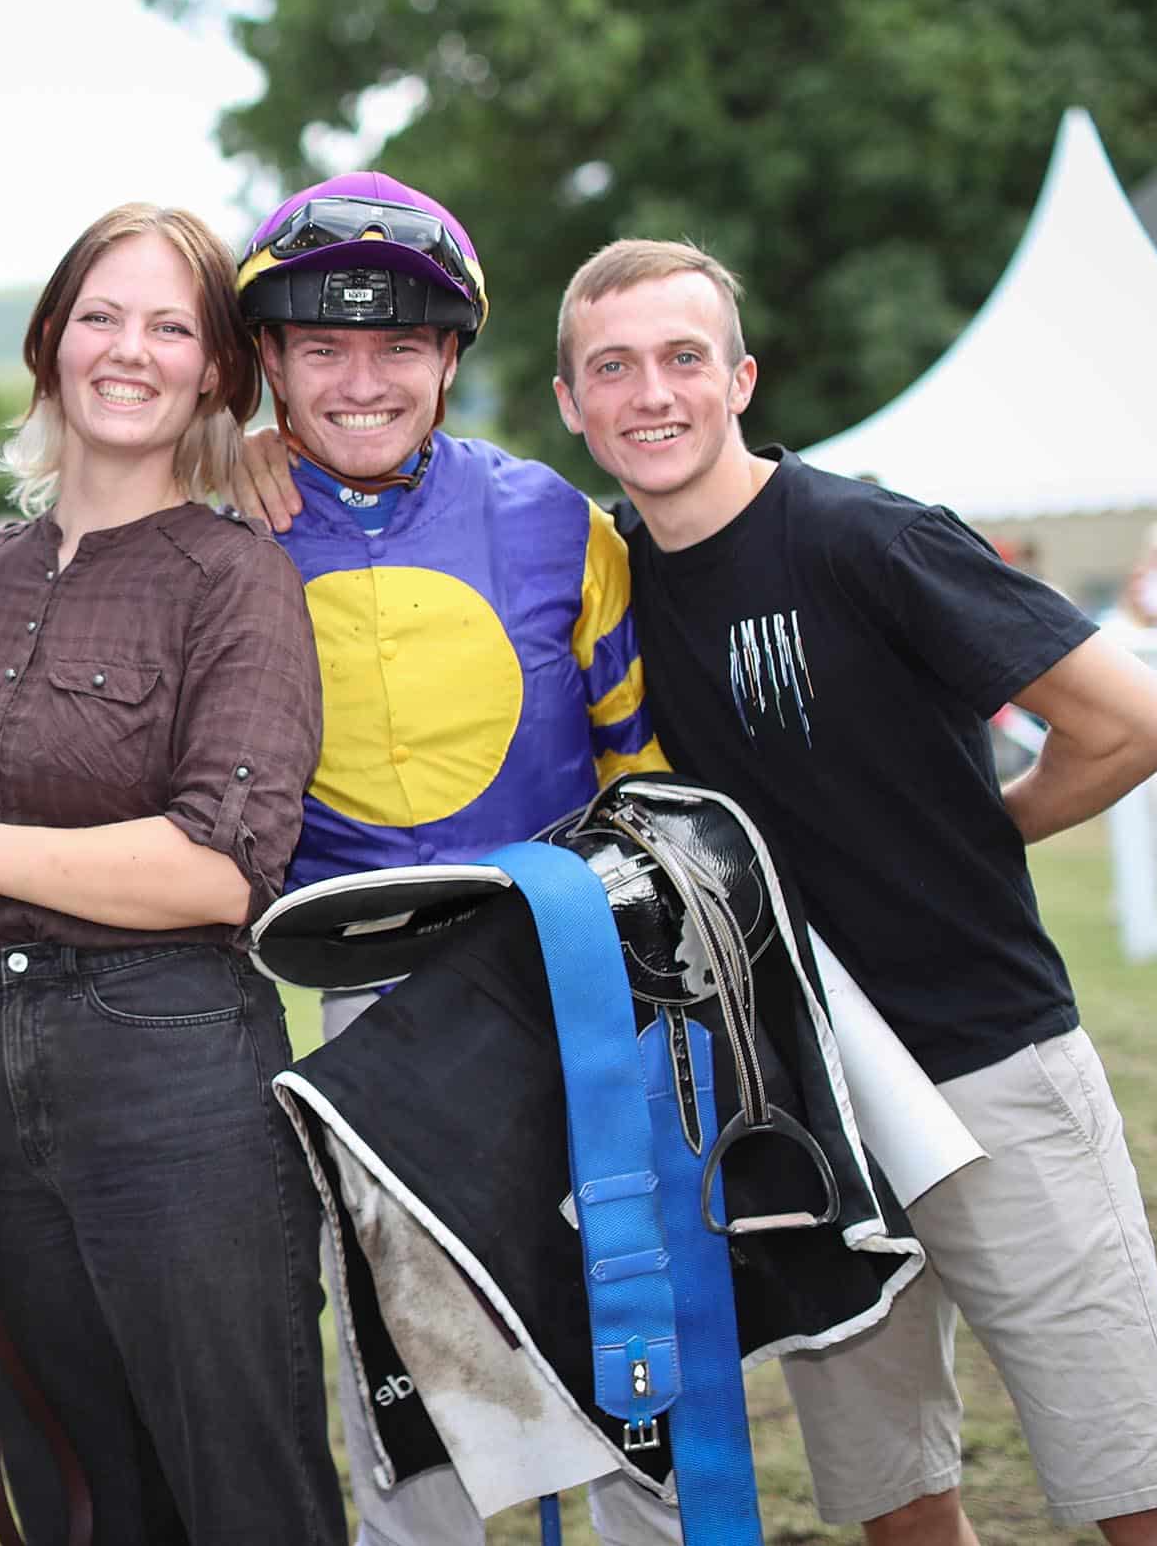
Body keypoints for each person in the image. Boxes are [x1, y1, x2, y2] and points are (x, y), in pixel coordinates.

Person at [553, 239, 1157, 1546]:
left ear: (739, 378)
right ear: (572, 402)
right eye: (611, 368)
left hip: (987, 1062)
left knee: (1144, 1499)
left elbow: (1137, 721)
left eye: (684, 358)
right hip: (803, 1105)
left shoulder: (866, 536)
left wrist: (992, 831)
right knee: (895, 1508)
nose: (651, 394)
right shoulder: (604, 587)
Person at [0, 204, 343, 1544]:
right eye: (101, 315)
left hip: (170, 1075)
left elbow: (226, 867)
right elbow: (0, 810)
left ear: (215, 371)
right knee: (71, 1489)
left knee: (242, 1490)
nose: (129, 350)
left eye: (171, 326)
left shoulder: (237, 579)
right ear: (50, 342)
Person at [224, 171, 673, 1546]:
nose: (363, 381)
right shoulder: (216, 527)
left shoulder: (557, 522)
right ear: (269, 363)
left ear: (453, 356)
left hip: (575, 1003)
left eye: (400, 346)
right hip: (363, 1024)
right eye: (321, 348)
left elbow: (638, 777)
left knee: (635, 1376)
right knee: (415, 1399)